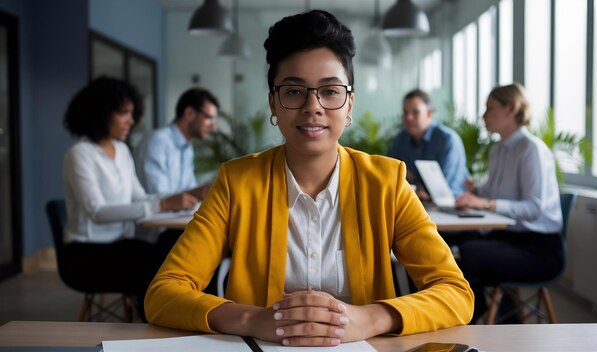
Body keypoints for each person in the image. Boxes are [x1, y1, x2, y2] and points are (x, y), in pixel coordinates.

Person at [145, 10, 473, 347]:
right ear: (273, 102)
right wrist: (252, 319)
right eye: (293, 91)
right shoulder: (236, 182)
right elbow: (164, 292)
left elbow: (455, 292)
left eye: (330, 91)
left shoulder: (387, 183)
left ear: (349, 105)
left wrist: (371, 318)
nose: (312, 106)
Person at [62, 76, 198, 318]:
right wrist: (163, 204)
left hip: (119, 246)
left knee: (175, 242)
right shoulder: (80, 154)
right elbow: (98, 212)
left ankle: (166, 314)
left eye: (132, 113)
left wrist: (176, 201)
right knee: (155, 261)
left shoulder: (123, 151)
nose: (131, 121)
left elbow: (139, 197)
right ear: (102, 113)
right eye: (124, 113)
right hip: (86, 255)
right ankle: (155, 319)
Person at [454, 83, 564, 323]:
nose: (483, 116)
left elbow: (534, 209)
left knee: (468, 253)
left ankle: (469, 315)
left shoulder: (531, 150)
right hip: (508, 238)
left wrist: (484, 203)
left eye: (489, 108)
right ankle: (476, 314)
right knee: (448, 245)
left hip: (539, 248)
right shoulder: (497, 151)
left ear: (512, 108)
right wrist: (474, 193)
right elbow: (494, 194)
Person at [134, 88, 220, 199]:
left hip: (177, 216)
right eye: (209, 118)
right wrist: (195, 193)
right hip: (154, 216)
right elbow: (157, 198)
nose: (213, 125)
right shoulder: (157, 142)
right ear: (189, 114)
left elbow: (188, 189)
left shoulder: (187, 147)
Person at [387, 89, 468, 198]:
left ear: (429, 113)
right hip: (413, 202)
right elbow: (389, 175)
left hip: (453, 206)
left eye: (415, 112)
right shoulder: (400, 140)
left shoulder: (447, 140)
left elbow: (445, 189)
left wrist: (415, 182)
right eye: (405, 112)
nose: (408, 118)